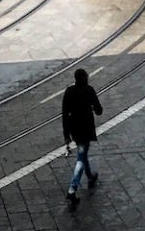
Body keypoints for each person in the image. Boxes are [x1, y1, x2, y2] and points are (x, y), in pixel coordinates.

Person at [62, 67, 102, 206]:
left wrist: (66, 135)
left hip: (75, 130)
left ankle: (90, 176)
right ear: (85, 78)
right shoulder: (89, 90)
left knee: (82, 153)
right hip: (86, 129)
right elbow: (99, 111)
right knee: (81, 157)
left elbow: (64, 115)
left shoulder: (69, 92)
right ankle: (72, 190)